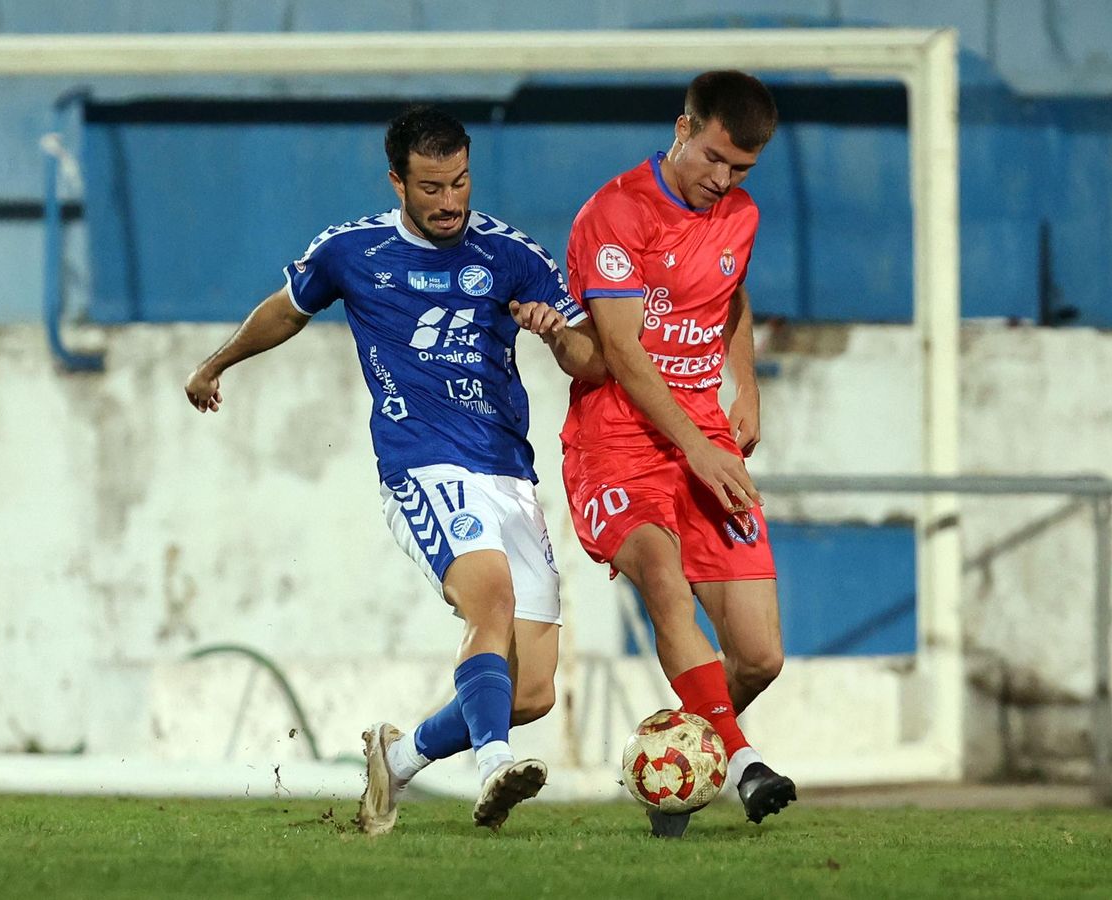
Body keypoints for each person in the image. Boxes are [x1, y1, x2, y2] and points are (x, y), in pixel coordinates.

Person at [183, 105, 604, 834]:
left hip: (508, 471)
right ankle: (494, 766)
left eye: (461, 182)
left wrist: (558, 332)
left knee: (531, 691)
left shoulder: (511, 255)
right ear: (398, 183)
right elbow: (286, 310)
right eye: (433, 187)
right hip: (422, 463)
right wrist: (218, 362)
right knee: (490, 603)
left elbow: (591, 357)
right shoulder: (354, 250)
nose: (450, 202)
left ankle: (399, 756)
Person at [559, 71, 795, 838]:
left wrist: (746, 385)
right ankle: (745, 761)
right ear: (682, 128)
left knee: (760, 656)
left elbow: (731, 294)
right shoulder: (616, 212)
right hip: (618, 441)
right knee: (662, 576)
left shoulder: (741, 214)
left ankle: (675, 764)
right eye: (715, 159)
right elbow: (622, 353)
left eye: (742, 170)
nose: (723, 181)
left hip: (704, 434)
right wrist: (695, 448)